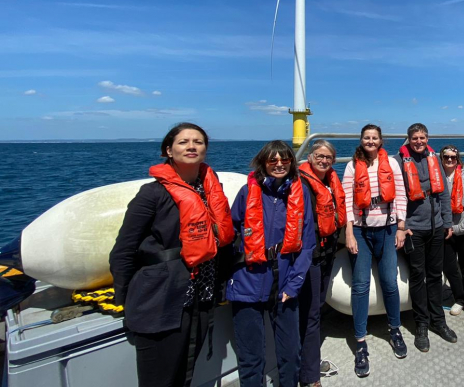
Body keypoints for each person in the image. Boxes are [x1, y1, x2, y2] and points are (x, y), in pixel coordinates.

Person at [110, 122, 235, 387]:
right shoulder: (152, 194)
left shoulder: (212, 191)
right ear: (168, 150)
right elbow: (124, 249)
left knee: (185, 374)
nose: (191, 146)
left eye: (198, 142)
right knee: (160, 380)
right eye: (183, 142)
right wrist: (125, 298)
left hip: (200, 298)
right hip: (160, 300)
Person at [226, 141, 316, 387]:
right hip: (247, 281)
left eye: (285, 160)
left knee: (290, 352)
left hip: (284, 282)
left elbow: (307, 243)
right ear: (263, 163)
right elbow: (230, 233)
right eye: (273, 160)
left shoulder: (301, 193)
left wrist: (293, 285)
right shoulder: (247, 193)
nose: (279, 164)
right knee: (250, 357)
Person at [342, 124, 408, 378]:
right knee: (360, 286)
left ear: (381, 141)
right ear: (361, 140)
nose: (370, 141)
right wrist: (349, 232)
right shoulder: (351, 166)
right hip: (360, 230)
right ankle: (360, 342)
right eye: (366, 138)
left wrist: (401, 226)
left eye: (374, 138)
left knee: (389, 282)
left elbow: (400, 194)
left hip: (389, 229)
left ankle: (395, 329)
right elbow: (348, 200)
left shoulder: (391, 163)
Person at [394, 123, 457, 352]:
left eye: (422, 137)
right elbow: (395, 197)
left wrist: (447, 221)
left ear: (427, 138)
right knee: (418, 276)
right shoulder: (399, 161)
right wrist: (401, 226)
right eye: (414, 138)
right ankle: (421, 324)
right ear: (408, 139)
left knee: (435, 275)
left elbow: (444, 194)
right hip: (414, 229)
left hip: (437, 227)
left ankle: (438, 321)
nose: (419, 141)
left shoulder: (434, 158)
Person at [296, 140, 346, 387]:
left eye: (328, 157)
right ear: (310, 156)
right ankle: (309, 375)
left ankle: (306, 360)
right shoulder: (301, 182)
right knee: (311, 312)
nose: (324, 160)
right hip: (310, 256)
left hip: (327, 252)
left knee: (315, 307)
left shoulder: (330, 181)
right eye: (319, 155)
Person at [439, 145, 464, 321]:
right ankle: (459, 298)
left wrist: (461, 227)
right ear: (441, 159)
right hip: (444, 230)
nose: (449, 160)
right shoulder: (437, 179)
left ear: (457, 160)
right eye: (446, 157)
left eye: (453, 158)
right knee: (449, 266)